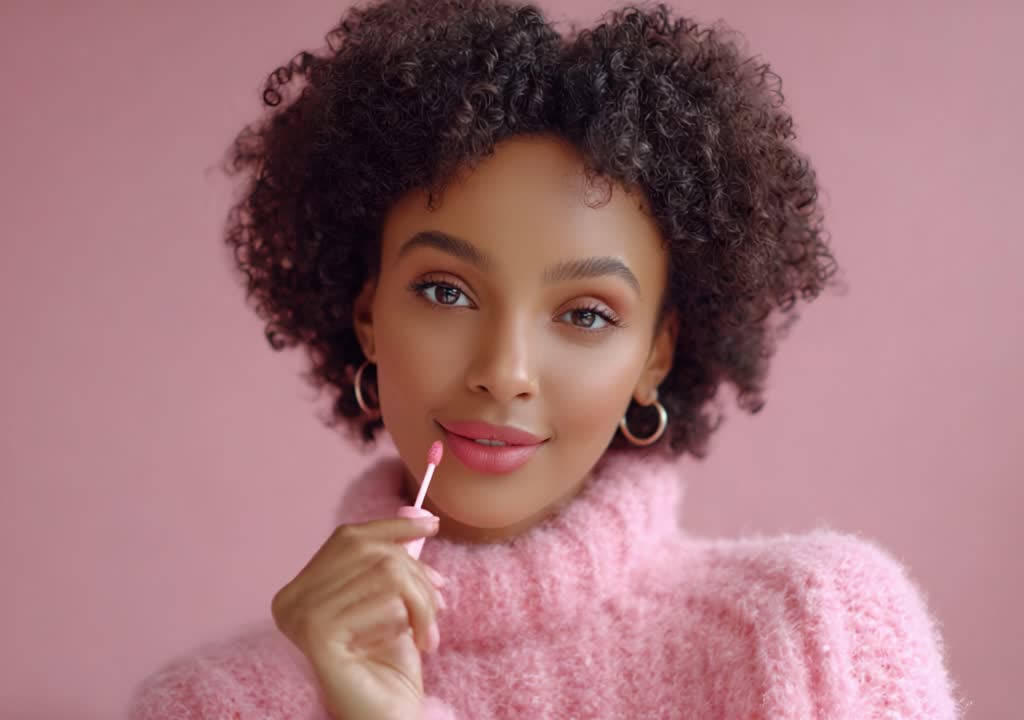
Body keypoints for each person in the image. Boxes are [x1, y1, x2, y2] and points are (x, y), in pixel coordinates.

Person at [129, 0, 966, 717]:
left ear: (656, 355)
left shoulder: (813, 628)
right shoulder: (216, 706)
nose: (505, 369)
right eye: (446, 291)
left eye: (587, 313)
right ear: (367, 315)